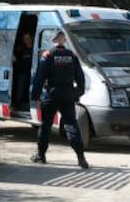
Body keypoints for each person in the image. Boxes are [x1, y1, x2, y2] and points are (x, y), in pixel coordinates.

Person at [30, 30, 88, 168]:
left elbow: (39, 77)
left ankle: (41, 155)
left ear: (54, 40)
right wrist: (78, 93)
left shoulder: (48, 54)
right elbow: (80, 77)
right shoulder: (72, 55)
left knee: (45, 126)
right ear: (64, 40)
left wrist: (36, 96)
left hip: (52, 94)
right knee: (71, 125)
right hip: (68, 94)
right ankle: (81, 157)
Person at [13, 33, 33, 111]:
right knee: (20, 91)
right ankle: (19, 107)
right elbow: (15, 59)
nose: (27, 40)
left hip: (31, 73)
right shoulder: (21, 49)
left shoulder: (33, 48)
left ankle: (27, 106)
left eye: (28, 38)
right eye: (25, 39)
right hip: (22, 73)